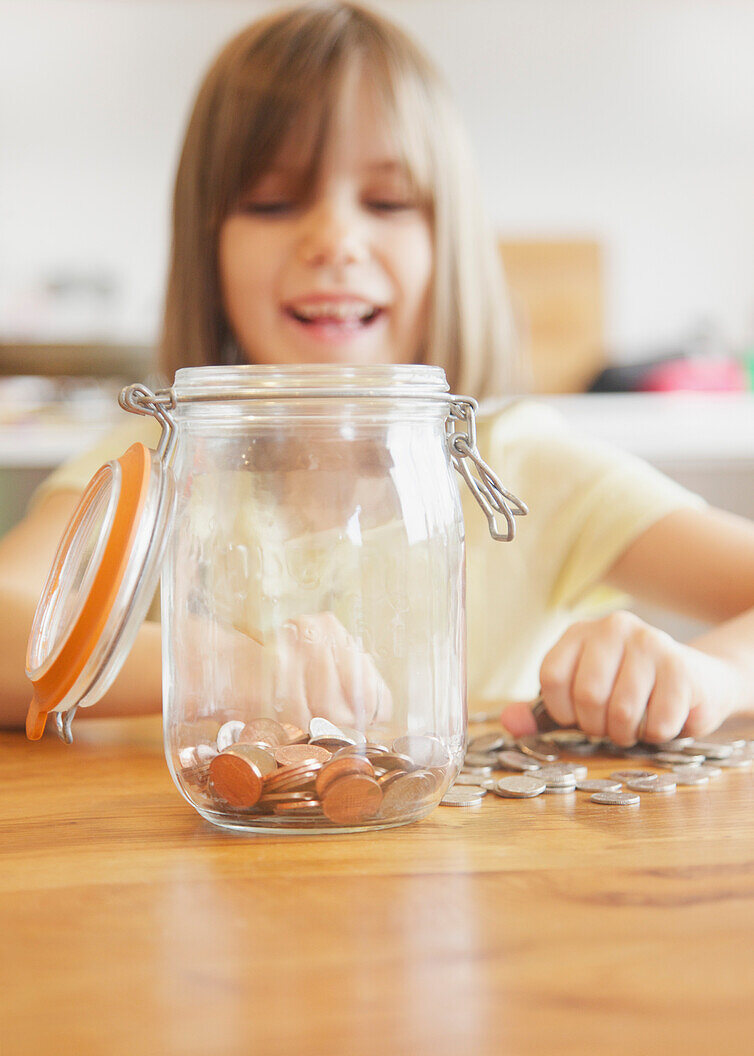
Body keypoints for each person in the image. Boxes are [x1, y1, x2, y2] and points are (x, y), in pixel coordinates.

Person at [1, 0, 753, 743]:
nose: (334, 239)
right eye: (272, 200)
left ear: (448, 245)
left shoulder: (525, 467)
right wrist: (229, 670)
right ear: (207, 247)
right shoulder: (156, 465)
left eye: (388, 200)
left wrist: (709, 675)